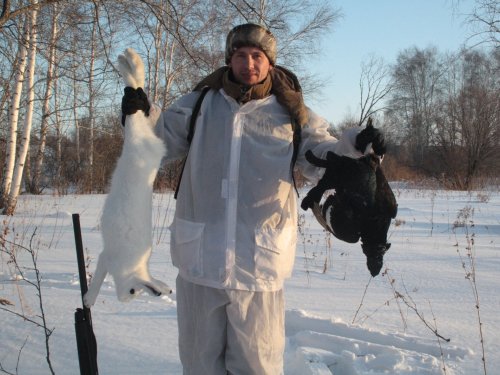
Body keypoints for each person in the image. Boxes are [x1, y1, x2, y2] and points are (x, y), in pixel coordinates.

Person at [122, 23, 382, 375]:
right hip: (201, 262)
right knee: (199, 365)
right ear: (230, 60)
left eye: (257, 56)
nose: (249, 64)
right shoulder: (201, 104)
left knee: (258, 367)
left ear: (269, 63)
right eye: (241, 56)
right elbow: (156, 144)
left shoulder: (291, 114)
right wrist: (138, 116)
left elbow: (322, 155)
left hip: (259, 265)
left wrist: (353, 147)